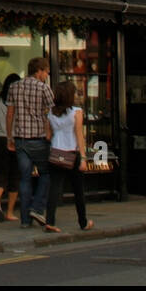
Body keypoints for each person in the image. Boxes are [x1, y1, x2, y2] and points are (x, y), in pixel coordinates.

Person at [42, 80, 95, 234]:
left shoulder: (50, 112)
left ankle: (50, 221)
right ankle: (83, 222)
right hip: (72, 152)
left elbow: (47, 136)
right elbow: (79, 135)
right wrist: (84, 158)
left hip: (56, 152)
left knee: (54, 188)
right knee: (78, 189)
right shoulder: (76, 112)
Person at [6, 56, 54, 226]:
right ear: (39, 71)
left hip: (20, 139)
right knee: (46, 174)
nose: (47, 75)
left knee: (25, 178)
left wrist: (9, 137)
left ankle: (25, 220)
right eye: (46, 72)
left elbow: (10, 113)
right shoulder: (44, 88)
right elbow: (53, 113)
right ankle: (37, 208)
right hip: (39, 138)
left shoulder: (14, 86)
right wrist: (50, 134)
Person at [0, 72, 20, 222]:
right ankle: (10, 212)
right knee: (14, 175)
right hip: (15, 139)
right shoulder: (19, 101)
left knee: (0, 173)